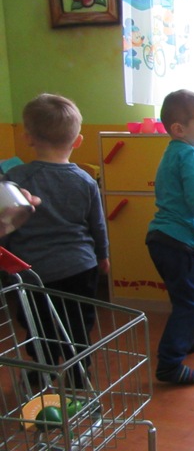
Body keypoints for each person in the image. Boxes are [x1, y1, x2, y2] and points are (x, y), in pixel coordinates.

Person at [0, 93, 110, 386]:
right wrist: (103, 256)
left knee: (38, 323)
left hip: (32, 271)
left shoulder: (16, 178)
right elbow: (97, 225)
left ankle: (44, 368)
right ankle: (79, 373)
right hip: (80, 267)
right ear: (78, 141)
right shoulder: (85, 180)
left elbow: (6, 224)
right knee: (78, 323)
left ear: (27, 138)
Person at [145, 89, 194, 385]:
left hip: (162, 238)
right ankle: (169, 364)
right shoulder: (192, 155)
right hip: (177, 243)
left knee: (184, 299)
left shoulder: (173, 152)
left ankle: (185, 340)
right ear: (179, 129)